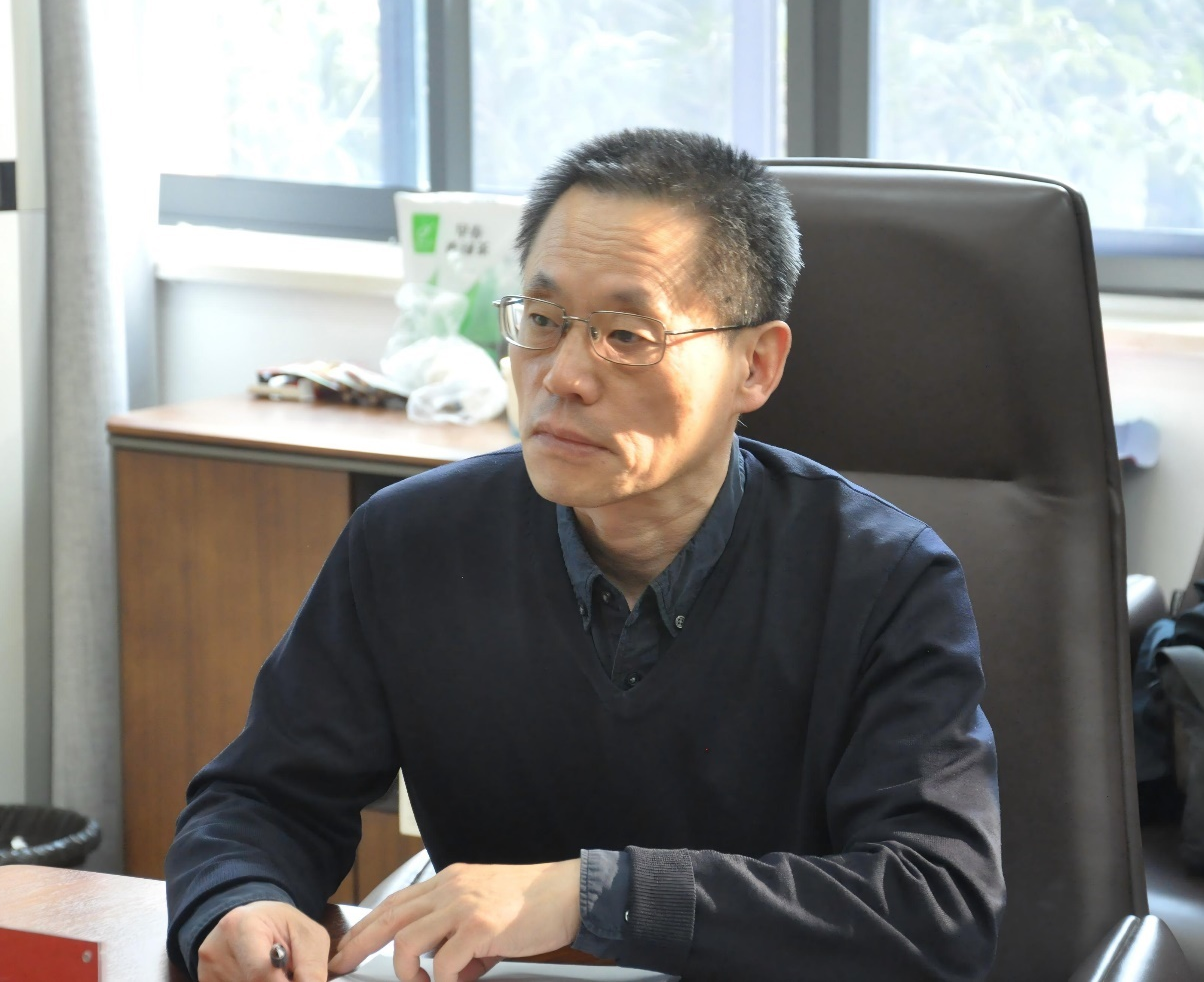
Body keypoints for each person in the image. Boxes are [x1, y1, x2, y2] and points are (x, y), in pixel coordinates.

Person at [165, 128, 1005, 982]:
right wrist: (240, 897)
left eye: (627, 335)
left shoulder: (886, 580)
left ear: (755, 366)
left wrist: (593, 896)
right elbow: (266, 797)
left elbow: (936, 907)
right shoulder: (411, 542)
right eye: (542, 321)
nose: (564, 374)